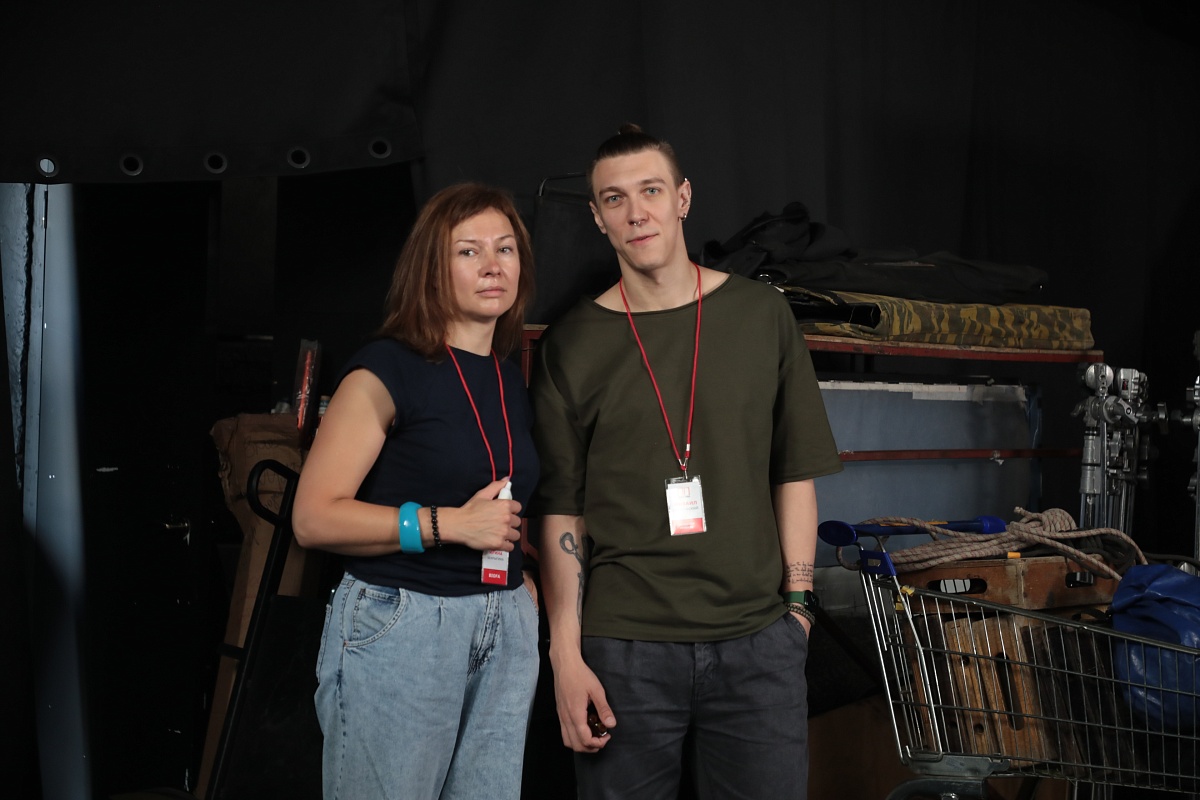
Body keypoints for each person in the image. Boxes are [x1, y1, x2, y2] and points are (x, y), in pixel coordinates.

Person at [529, 125, 843, 799]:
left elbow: (794, 473)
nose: (635, 212)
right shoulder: (570, 345)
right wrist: (565, 652)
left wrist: (798, 608)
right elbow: (560, 511)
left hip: (758, 643)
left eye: (651, 191)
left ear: (683, 198)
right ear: (597, 217)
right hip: (623, 650)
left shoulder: (761, 316)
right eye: (614, 199)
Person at [292, 182, 541, 800]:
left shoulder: (509, 379)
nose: (492, 265)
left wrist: (519, 588)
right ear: (432, 268)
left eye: (505, 248)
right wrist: (447, 525)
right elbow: (313, 519)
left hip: (502, 627)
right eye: (468, 251)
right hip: (405, 623)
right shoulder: (385, 369)